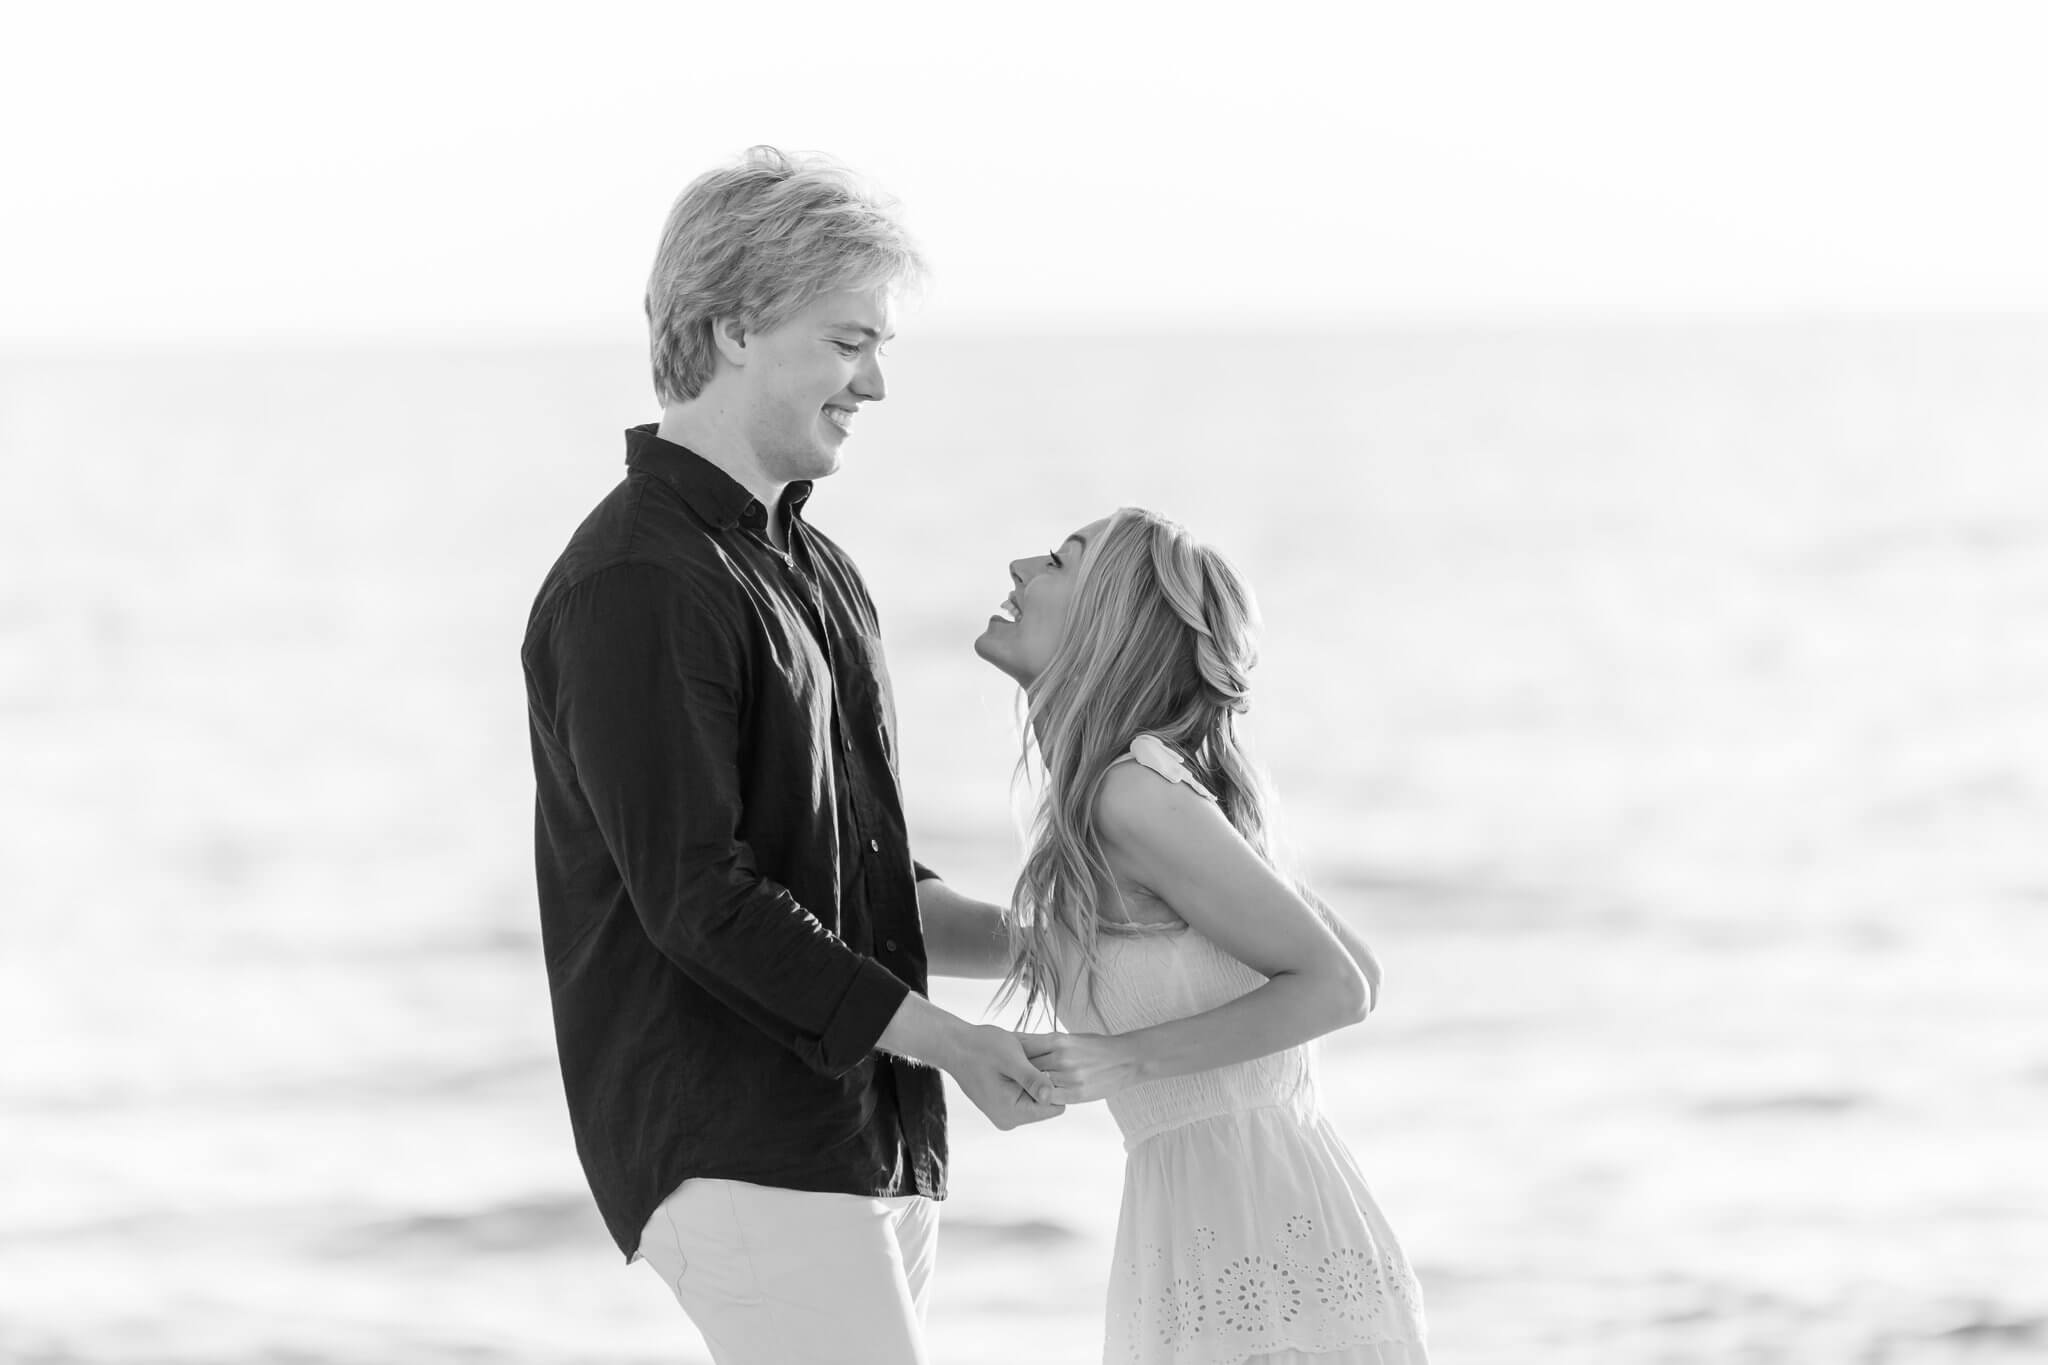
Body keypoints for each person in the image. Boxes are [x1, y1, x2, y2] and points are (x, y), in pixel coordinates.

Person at [520, 145, 1061, 1365]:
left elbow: (858, 888)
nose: (870, 384)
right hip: (738, 1141)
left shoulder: (811, 570)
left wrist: (1060, 950)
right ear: (727, 330)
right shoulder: (637, 583)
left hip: (862, 1136)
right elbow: (700, 902)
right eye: (845, 341)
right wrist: (953, 1040)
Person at [965, 507, 1431, 1364]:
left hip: (1269, 1244)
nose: (1021, 564)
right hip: (1199, 1238)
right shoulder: (1125, 799)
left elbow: (1339, 984)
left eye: (1061, 562)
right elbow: (1058, 946)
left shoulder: (1129, 796)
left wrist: (1125, 1056)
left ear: (1110, 625)